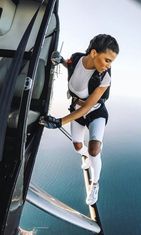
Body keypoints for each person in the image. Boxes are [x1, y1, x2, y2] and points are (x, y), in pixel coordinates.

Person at [40, 34, 119, 205]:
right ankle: (89, 157)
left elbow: (87, 108)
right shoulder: (76, 59)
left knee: (93, 149)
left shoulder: (105, 78)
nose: (109, 66)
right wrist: (59, 60)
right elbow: (70, 65)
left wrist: (60, 121)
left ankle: (95, 183)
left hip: (96, 113)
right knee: (77, 147)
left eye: (111, 62)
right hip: (76, 109)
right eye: (107, 60)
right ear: (93, 53)